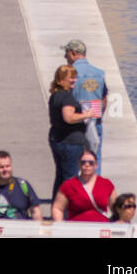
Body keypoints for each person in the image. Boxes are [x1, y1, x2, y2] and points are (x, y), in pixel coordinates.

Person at [63, 39, 108, 172]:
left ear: (74, 53)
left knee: (75, 162)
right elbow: (104, 99)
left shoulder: (70, 74)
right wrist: (97, 116)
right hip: (95, 120)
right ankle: (96, 190)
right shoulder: (99, 73)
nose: (65, 57)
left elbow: (65, 99)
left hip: (76, 124)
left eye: (66, 53)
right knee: (95, 159)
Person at [47, 64, 89, 201]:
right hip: (70, 142)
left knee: (60, 175)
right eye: (71, 78)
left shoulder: (55, 96)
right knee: (70, 178)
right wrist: (86, 114)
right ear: (61, 79)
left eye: (75, 77)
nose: (74, 80)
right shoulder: (66, 97)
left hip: (57, 139)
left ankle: (56, 208)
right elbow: (69, 117)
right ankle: (65, 214)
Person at [51, 149, 114, 222]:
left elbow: (117, 208)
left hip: (101, 229)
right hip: (77, 229)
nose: (87, 165)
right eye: (83, 162)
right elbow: (57, 208)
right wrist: (60, 227)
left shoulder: (106, 184)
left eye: (91, 163)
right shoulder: (68, 185)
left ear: (96, 165)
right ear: (79, 165)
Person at [0, 150, 43, 220]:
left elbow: (35, 211)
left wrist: (40, 229)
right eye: (1, 167)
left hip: (19, 229)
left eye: (7, 166)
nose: (5, 170)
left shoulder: (23, 185)